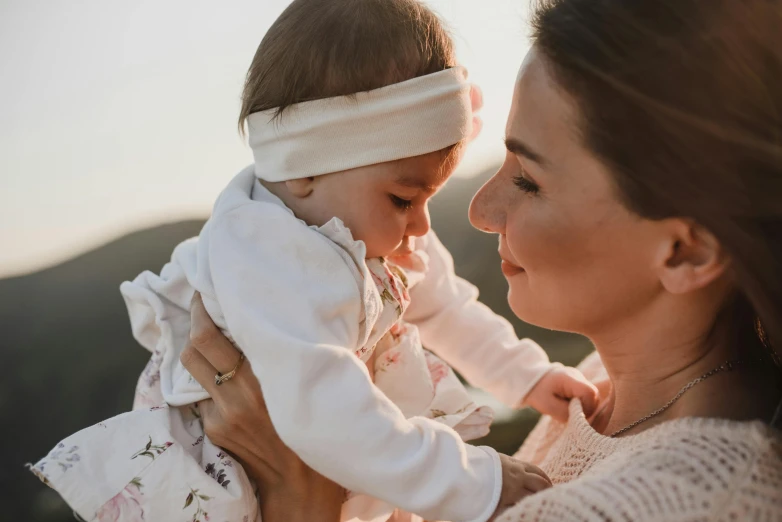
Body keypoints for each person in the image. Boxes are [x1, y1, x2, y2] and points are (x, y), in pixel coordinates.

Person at [179, 0, 782, 520]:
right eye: (403, 196)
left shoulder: (685, 500)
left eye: (529, 181)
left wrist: (295, 497)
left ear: (685, 249)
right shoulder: (610, 389)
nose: (479, 210)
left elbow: (445, 306)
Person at [29, 1, 599, 522]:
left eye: (429, 196)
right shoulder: (267, 257)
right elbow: (325, 414)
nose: (422, 225)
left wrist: (527, 375)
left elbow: (446, 306)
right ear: (302, 168)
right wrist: (472, 482)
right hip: (232, 483)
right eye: (404, 198)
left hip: (333, 462)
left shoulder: (367, 226)